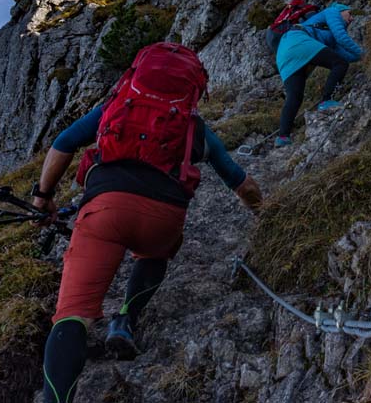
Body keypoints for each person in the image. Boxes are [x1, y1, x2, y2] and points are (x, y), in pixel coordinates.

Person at [33, 44, 262, 403]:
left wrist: (43, 195)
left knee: (72, 315)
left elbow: (63, 144)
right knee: (153, 255)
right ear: (194, 88)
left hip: (105, 209)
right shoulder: (194, 128)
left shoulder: (113, 109)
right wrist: (262, 213)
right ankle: (125, 318)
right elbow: (241, 182)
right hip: (163, 217)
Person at [274, 2, 362, 147]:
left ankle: (282, 137)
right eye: (350, 13)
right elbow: (341, 37)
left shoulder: (329, 39)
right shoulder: (332, 11)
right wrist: (364, 53)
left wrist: (362, 56)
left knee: (295, 96)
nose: (351, 18)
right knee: (339, 64)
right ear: (341, 10)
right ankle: (327, 100)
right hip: (299, 40)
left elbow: (345, 56)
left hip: (284, 53)